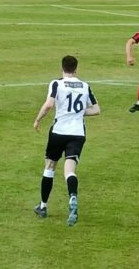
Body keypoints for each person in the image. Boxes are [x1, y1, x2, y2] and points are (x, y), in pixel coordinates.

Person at [33, 55, 100, 226]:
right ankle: (72, 197)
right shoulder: (85, 85)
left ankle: (43, 206)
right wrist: (78, 113)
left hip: (59, 131)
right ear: (76, 68)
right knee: (69, 170)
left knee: (50, 167)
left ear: (62, 68)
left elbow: (49, 104)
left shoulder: (57, 83)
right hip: (78, 133)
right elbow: (96, 109)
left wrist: (38, 119)